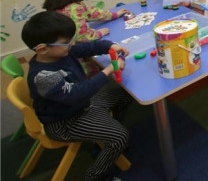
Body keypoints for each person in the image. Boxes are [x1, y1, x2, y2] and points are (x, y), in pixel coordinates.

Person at [22, 11, 132, 181]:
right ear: (42, 49)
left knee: (124, 95)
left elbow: (89, 47)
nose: (71, 44)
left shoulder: (62, 51)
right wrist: (109, 69)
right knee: (120, 137)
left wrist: (111, 46)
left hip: (81, 105)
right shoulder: (43, 76)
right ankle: (95, 176)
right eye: (66, 42)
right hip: (64, 122)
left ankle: (106, 138)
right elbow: (77, 94)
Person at [43, 0, 130, 76]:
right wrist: (99, 33)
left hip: (67, 50)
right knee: (93, 70)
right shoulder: (74, 9)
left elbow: (92, 13)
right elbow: (83, 37)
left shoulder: (70, 4)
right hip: (77, 55)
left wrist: (114, 14)